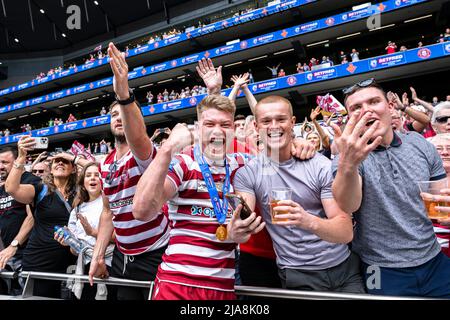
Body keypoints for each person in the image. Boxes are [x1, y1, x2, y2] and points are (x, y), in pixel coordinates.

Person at [331, 78, 450, 297]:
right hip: (379, 267)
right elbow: (349, 204)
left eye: (374, 102)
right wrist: (348, 162)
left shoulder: (420, 143)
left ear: (390, 106)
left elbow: (440, 198)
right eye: (356, 108)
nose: (367, 111)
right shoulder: (345, 156)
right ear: (350, 118)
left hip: (433, 259)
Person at [232, 95, 364, 293]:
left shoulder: (320, 165)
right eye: (266, 121)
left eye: (281, 119)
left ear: (292, 123)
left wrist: (306, 220)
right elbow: (245, 219)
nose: (274, 126)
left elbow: (345, 232)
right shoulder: (247, 174)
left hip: (344, 268)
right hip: (297, 273)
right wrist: (238, 227)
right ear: (257, 128)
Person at [88, 43, 170, 301]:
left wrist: (123, 95)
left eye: (122, 113)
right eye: (113, 114)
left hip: (156, 252)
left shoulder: (143, 153)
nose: (118, 117)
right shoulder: (104, 163)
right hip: (124, 257)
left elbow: (138, 136)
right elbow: (108, 211)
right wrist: (99, 254)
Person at [5, 143, 88, 298]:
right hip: (39, 263)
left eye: (65, 161)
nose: (60, 163)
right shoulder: (39, 188)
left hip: (71, 263)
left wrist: (74, 158)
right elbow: (11, 189)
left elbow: (97, 170)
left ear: (73, 168)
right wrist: (22, 156)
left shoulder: (82, 191)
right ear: (50, 167)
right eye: (56, 161)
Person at [55, 163, 115, 300]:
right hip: (84, 267)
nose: (92, 178)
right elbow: (75, 251)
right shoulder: (77, 209)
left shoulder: (111, 203)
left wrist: (93, 232)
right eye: (88, 175)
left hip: (109, 266)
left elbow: (119, 238)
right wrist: (68, 242)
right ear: (83, 182)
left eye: (97, 175)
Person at [0, 147, 40, 295]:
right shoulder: (4, 185)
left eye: (5, 162)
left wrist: (14, 245)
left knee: (26, 295)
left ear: (17, 162)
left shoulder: (31, 181)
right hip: (7, 254)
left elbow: (32, 217)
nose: (0, 166)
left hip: (26, 253)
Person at [426, 134, 450, 257]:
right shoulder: (421, 178)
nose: (445, 153)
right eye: (439, 149)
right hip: (427, 248)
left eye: (449, 148)